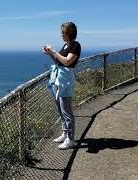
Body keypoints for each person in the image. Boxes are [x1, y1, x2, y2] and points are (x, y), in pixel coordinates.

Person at [42, 21, 81, 150]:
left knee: (67, 111)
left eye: (63, 32)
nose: (61, 35)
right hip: (59, 79)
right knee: (61, 110)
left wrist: (53, 50)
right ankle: (65, 134)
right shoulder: (66, 45)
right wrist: (50, 54)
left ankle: (71, 139)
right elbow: (59, 62)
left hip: (66, 81)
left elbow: (67, 61)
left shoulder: (75, 46)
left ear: (69, 33)